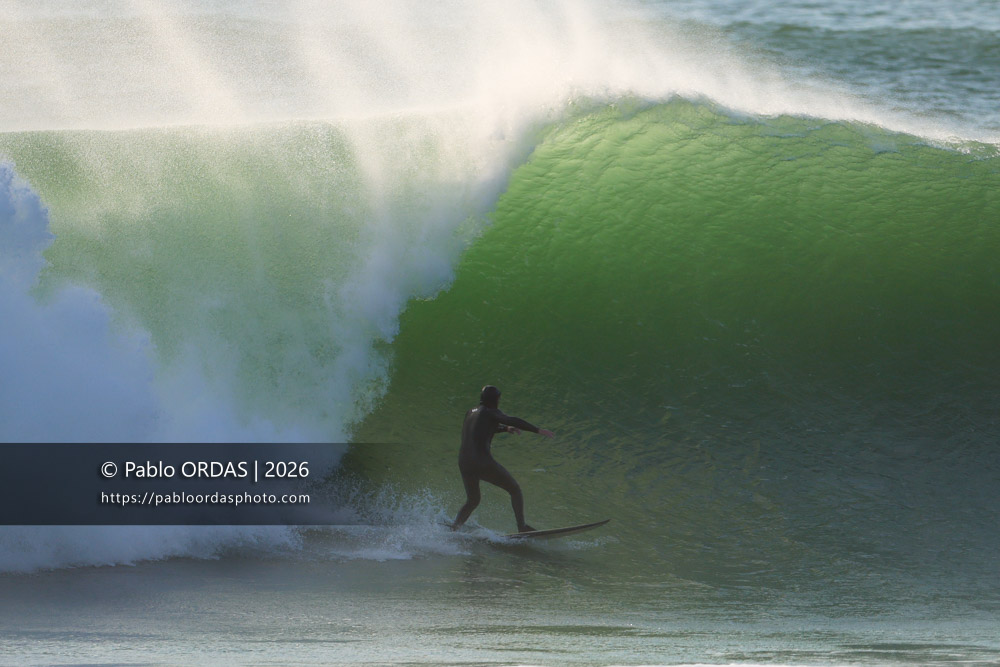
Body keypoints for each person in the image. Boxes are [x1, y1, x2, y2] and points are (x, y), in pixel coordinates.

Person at [450, 385, 554, 532]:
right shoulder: (490, 411)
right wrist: (537, 430)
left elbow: (480, 429)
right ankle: (522, 527)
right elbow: (511, 419)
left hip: (464, 462)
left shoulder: (471, 412)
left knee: (473, 500)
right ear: (495, 400)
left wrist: (504, 429)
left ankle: (455, 527)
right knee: (515, 489)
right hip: (481, 462)